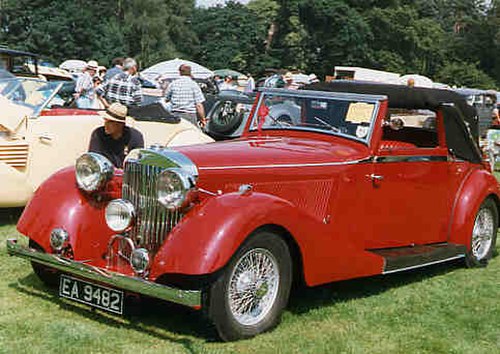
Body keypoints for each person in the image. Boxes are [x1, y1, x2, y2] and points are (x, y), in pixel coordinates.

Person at [88, 102, 144, 168]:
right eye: (106, 120)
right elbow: (93, 160)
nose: (106, 124)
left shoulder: (135, 137)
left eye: (110, 122)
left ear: (120, 124)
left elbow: (138, 163)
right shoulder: (98, 134)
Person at [164, 64, 206, 128]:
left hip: (175, 114)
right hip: (189, 115)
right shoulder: (194, 85)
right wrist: (202, 119)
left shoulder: (173, 84)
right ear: (190, 72)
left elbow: (166, 99)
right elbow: (199, 105)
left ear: (180, 72)